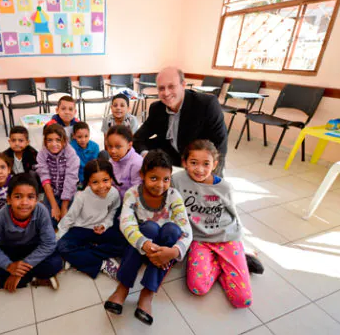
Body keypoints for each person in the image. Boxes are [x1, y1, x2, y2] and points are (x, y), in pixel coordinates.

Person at [104, 150, 192, 325]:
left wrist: (173, 252)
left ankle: (147, 294)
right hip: (141, 246)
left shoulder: (174, 196)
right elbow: (126, 224)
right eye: (154, 178)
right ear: (142, 175)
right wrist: (145, 245)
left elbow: (186, 229)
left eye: (166, 179)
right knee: (150, 228)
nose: (160, 184)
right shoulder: (133, 194)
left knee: (173, 230)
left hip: (165, 249)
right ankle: (123, 287)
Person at [172, 140, 255, 308]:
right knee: (197, 287)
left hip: (227, 237)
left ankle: (237, 258)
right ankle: (221, 265)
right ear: (184, 162)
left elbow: (234, 215)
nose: (199, 169)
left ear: (215, 164)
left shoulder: (225, 187)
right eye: (193, 163)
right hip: (199, 240)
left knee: (242, 300)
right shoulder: (177, 180)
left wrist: (242, 242)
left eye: (206, 164)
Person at [0, 173, 63, 291]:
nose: (24, 202)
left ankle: (18, 279)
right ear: (9, 199)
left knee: (56, 262)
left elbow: (49, 243)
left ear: (37, 200)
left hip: (32, 248)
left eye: (30, 197)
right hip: (8, 250)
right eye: (18, 197)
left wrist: (19, 271)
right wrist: (8, 265)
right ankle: (33, 278)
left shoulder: (41, 211)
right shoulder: (0, 218)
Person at [133, 66, 228, 175]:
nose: (166, 93)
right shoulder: (157, 108)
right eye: (161, 88)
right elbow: (138, 138)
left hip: (197, 162)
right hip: (173, 160)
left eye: (171, 86)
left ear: (183, 85)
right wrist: (146, 154)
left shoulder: (206, 104)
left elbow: (220, 147)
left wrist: (213, 178)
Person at [57, 159, 126, 279]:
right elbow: (69, 219)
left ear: (111, 178)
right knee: (62, 247)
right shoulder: (81, 196)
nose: (101, 186)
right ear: (88, 182)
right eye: (95, 182)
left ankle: (84, 253)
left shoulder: (114, 193)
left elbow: (112, 213)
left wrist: (104, 225)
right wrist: (60, 238)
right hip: (81, 228)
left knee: (124, 243)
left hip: (101, 229)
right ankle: (103, 263)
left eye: (105, 180)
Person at [36, 124, 80, 228]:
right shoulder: (42, 154)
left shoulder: (71, 154)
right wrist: (54, 205)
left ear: (64, 141)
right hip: (52, 194)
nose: (54, 144)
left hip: (68, 194)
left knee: (69, 223)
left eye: (58, 140)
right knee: (48, 223)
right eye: (49, 140)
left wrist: (64, 207)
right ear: (45, 141)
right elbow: (45, 179)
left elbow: (70, 180)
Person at [106, 125, 143, 198]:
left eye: (118, 147)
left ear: (129, 145)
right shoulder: (111, 161)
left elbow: (137, 191)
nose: (113, 151)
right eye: (110, 146)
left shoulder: (137, 163)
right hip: (114, 200)